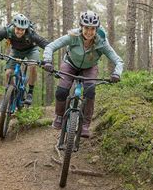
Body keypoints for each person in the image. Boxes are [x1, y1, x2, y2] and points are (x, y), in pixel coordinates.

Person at [42, 10, 124, 138]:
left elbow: (118, 60)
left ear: (96, 29)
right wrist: (47, 61)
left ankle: (85, 124)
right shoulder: (73, 36)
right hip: (70, 64)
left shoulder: (102, 42)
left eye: (92, 29)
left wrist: (116, 74)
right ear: (81, 27)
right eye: (86, 28)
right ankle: (59, 116)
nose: (89, 32)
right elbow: (51, 46)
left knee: (90, 92)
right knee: (62, 91)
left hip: (89, 68)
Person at [0, 13, 48, 105]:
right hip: (16, 51)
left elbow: (46, 44)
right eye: (18, 29)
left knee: (33, 66)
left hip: (31, 50)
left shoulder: (31, 34)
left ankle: (30, 92)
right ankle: (11, 92)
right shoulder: (7, 31)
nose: (20, 31)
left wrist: (47, 58)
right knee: (8, 73)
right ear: (14, 26)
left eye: (22, 30)